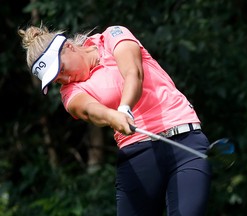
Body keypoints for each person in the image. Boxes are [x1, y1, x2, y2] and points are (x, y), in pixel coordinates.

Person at [18, 24, 211, 216]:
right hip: (137, 153)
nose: (65, 78)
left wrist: (124, 108)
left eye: (62, 69)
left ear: (68, 47)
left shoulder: (111, 36)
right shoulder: (70, 92)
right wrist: (112, 116)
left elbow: (133, 73)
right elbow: (90, 110)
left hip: (185, 137)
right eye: (57, 79)